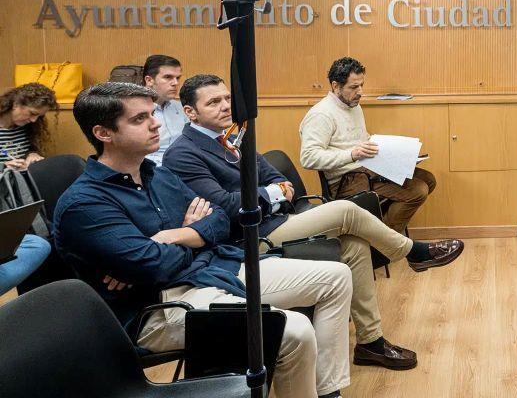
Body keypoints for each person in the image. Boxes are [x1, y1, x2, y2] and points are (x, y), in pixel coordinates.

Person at [52, 82, 353, 398]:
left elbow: (221, 219)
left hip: (212, 268)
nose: (155, 124)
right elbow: (154, 267)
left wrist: (175, 236)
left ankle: (327, 391)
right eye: (139, 119)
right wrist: (192, 238)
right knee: (294, 329)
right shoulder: (84, 203)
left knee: (336, 277)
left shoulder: (158, 175)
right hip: (159, 306)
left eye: (152, 114)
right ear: (103, 133)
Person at [164, 74, 464, 371]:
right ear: (190, 112)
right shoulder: (182, 153)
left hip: (276, 219)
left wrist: (272, 192)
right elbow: (229, 207)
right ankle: (412, 252)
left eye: (227, 98)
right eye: (214, 102)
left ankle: (370, 343)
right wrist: (273, 193)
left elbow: (277, 179)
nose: (225, 106)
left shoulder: (232, 138)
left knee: (355, 246)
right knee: (346, 210)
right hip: (245, 239)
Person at [299, 57, 436, 234]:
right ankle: (384, 240)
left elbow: (361, 140)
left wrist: (397, 153)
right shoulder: (321, 115)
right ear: (335, 86)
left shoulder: (353, 106)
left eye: (362, 85)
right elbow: (308, 158)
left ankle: (377, 229)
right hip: (345, 180)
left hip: (366, 168)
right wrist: (352, 154)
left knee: (428, 179)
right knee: (418, 190)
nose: (360, 92)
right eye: (354, 87)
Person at [0, 83, 58, 170]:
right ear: (16, 104)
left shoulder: (29, 126)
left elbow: (29, 149)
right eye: (32, 113)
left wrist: (32, 154)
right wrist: (3, 166)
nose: (34, 120)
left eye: (39, 116)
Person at [143, 54, 186, 166]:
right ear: (149, 80)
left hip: (185, 163)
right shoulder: (136, 111)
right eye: (168, 77)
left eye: (178, 78)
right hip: (153, 168)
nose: (175, 83)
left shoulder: (182, 108)